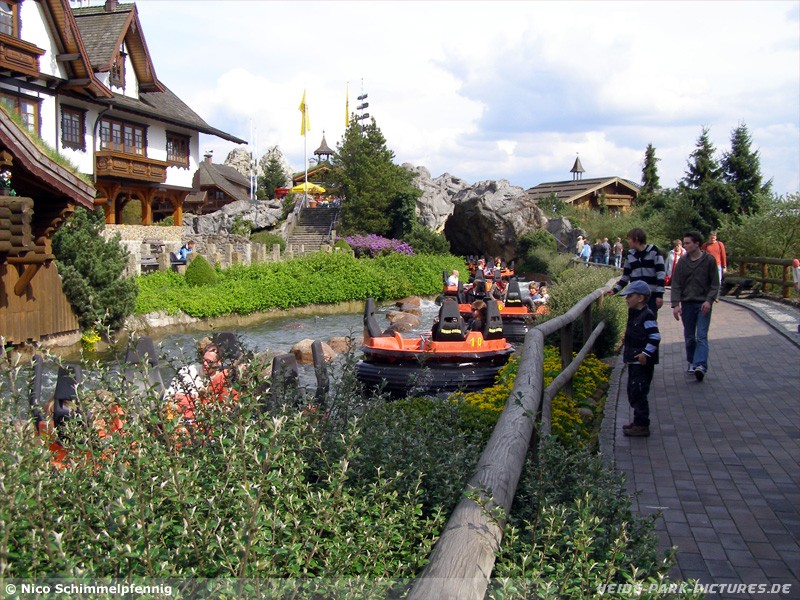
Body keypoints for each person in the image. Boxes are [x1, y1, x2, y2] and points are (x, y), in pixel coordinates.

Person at [671, 231, 720, 382]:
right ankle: (692, 361)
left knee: (701, 336)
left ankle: (700, 365)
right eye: (684, 243)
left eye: (687, 243)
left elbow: (715, 284)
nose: (684, 246)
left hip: (703, 304)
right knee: (690, 337)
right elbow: (676, 284)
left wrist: (709, 300)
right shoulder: (682, 262)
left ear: (697, 244)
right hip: (687, 304)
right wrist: (675, 304)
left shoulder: (709, 260)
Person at [618, 280, 661, 437]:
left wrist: (645, 353)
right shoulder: (634, 313)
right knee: (633, 390)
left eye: (630, 296)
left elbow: (655, 337)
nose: (627, 299)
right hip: (633, 359)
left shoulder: (647, 315)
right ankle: (637, 421)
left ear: (640, 298)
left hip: (641, 362)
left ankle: (642, 424)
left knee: (639, 391)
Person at [608, 228, 666, 316]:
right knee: (634, 321)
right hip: (634, 296)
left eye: (629, 239)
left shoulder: (654, 251)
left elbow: (661, 274)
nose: (628, 241)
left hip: (650, 295)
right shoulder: (630, 255)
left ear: (636, 239)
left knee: (649, 320)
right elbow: (625, 277)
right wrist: (614, 290)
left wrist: (659, 295)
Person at [702, 231, 727, 300]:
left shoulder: (720, 244)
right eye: (711, 237)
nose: (713, 239)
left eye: (714, 237)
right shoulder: (705, 245)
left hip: (717, 265)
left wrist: (724, 266)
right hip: (707, 265)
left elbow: (723, 255)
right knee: (708, 281)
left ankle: (716, 295)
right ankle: (709, 295)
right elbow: (702, 256)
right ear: (709, 237)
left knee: (718, 281)